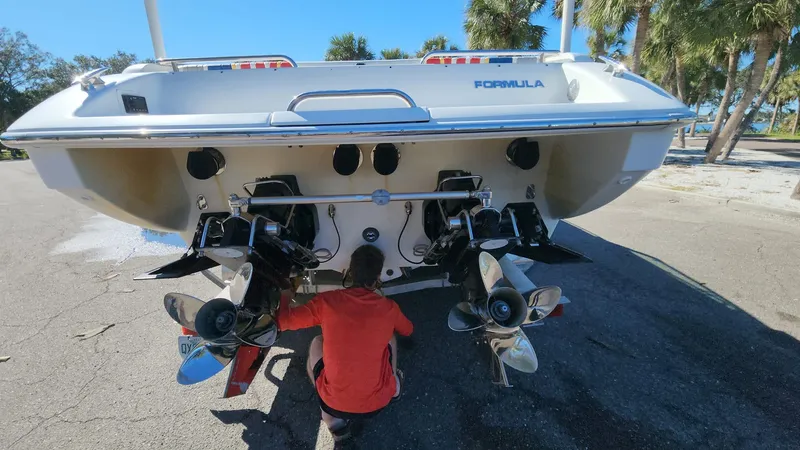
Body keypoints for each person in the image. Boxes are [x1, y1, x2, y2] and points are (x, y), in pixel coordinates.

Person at [276, 244, 414, 441]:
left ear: (348, 273)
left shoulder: (327, 302)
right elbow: (408, 330)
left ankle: (335, 425)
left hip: (334, 405)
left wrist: (285, 292)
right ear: (378, 278)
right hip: (378, 403)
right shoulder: (389, 308)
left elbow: (283, 322)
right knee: (389, 339)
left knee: (317, 341)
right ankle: (395, 388)